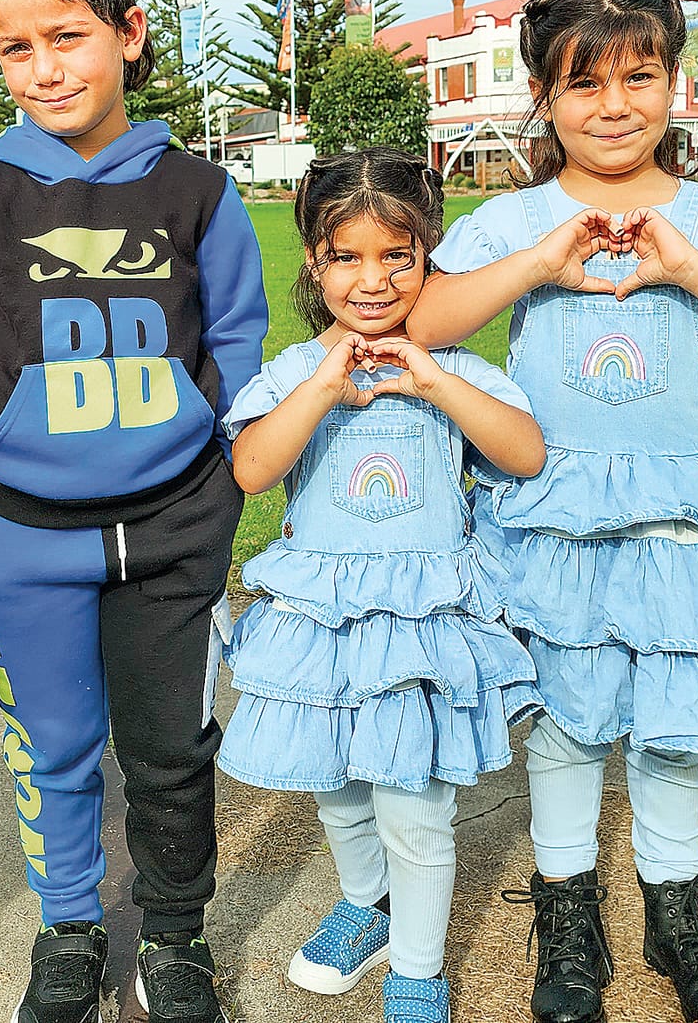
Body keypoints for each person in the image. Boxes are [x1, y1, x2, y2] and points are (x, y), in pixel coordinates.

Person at [407, 0, 698, 1023]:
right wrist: (537, 266)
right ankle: (565, 913)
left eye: (637, 77)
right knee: (565, 721)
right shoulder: (513, 220)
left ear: (672, 82)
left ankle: (675, 910)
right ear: (543, 100)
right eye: (583, 85)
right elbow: (423, 325)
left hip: (682, 522)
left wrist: (690, 270)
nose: (612, 106)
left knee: (669, 717)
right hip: (553, 514)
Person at [0, 0, 268, 1023]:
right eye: (16, 48)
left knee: (169, 752)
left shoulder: (198, 192)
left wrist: (224, 485)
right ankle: (67, 930)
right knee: (53, 746)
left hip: (174, 527)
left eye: (66, 36)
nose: (45, 68)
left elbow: (240, 350)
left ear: (129, 32)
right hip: (15, 534)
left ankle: (174, 936)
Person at [217, 149, 545, 1023]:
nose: (373, 281)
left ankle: (420, 971)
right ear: (314, 265)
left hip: (423, 630)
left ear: (428, 257)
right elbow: (251, 468)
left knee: (413, 803)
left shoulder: (455, 373)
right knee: (337, 786)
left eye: (397, 256)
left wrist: (434, 378)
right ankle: (369, 904)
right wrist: (325, 383)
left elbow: (524, 453)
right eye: (347, 258)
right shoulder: (295, 376)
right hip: (323, 630)